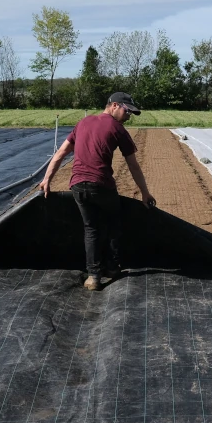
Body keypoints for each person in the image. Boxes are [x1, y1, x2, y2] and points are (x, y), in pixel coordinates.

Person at [40, 92, 156, 290]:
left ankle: (93, 276)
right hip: (101, 184)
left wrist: (46, 179)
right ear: (114, 106)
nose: (128, 116)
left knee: (91, 228)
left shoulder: (82, 123)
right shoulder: (117, 129)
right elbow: (133, 166)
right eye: (127, 111)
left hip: (78, 186)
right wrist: (144, 192)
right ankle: (112, 268)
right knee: (114, 223)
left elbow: (61, 153)